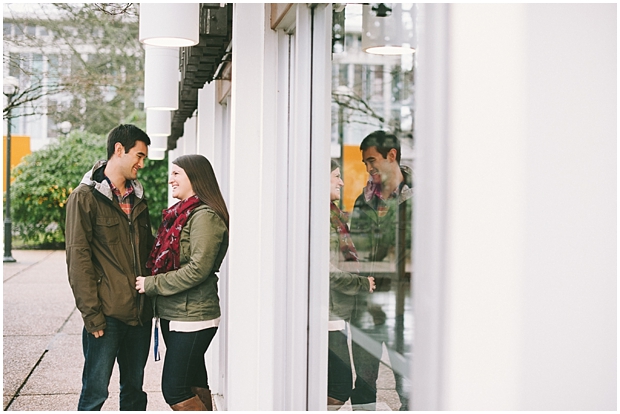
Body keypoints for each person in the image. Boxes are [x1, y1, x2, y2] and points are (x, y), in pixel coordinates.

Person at [65, 124, 154, 411]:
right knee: (94, 395)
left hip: (139, 316)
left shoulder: (139, 199)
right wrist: (92, 315)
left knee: (134, 394)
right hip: (106, 317)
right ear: (119, 150)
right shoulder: (85, 197)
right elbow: (78, 261)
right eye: (138, 156)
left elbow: (147, 253)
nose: (141, 163)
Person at [135, 154, 229, 411]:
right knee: (193, 381)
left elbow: (198, 269)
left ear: (195, 177)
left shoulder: (204, 217)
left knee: (174, 389)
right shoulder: (181, 214)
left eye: (176, 173)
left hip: (193, 316)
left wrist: (151, 284)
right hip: (177, 313)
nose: (170, 180)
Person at [349, 130, 413, 410]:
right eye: (365, 163)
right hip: (369, 305)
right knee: (362, 386)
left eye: (372, 160)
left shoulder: (420, 199)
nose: (368, 167)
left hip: (405, 305)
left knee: (409, 383)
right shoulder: (363, 201)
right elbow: (353, 249)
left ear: (392, 155)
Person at [327, 160, 376, 410]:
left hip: (335, 310)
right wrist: (361, 283)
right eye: (336, 176)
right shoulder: (325, 218)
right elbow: (326, 270)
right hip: (329, 311)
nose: (342, 182)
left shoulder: (334, 214)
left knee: (332, 384)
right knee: (339, 386)